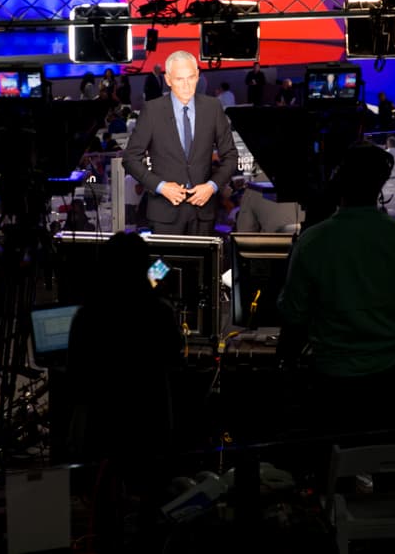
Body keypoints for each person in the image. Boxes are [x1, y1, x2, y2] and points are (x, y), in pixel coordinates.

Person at [276, 141, 395, 474]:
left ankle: (335, 518)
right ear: (379, 187)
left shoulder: (314, 242)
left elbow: (294, 315)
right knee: (393, 465)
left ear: (338, 184)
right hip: (392, 377)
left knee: (333, 470)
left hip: (333, 378)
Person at [66, 231, 184, 552]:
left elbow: (75, 372)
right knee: (149, 502)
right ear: (143, 267)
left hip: (103, 424)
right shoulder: (158, 311)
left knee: (105, 512)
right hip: (151, 422)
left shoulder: (87, 314)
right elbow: (175, 357)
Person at [122, 50, 238, 235]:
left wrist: (212, 186)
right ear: (168, 80)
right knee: (162, 265)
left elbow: (231, 156)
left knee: (203, 264)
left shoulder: (212, 107)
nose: (186, 86)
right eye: (179, 79)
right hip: (164, 213)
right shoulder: (152, 110)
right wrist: (161, 186)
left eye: (191, 78)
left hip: (203, 212)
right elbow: (130, 159)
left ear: (198, 75)